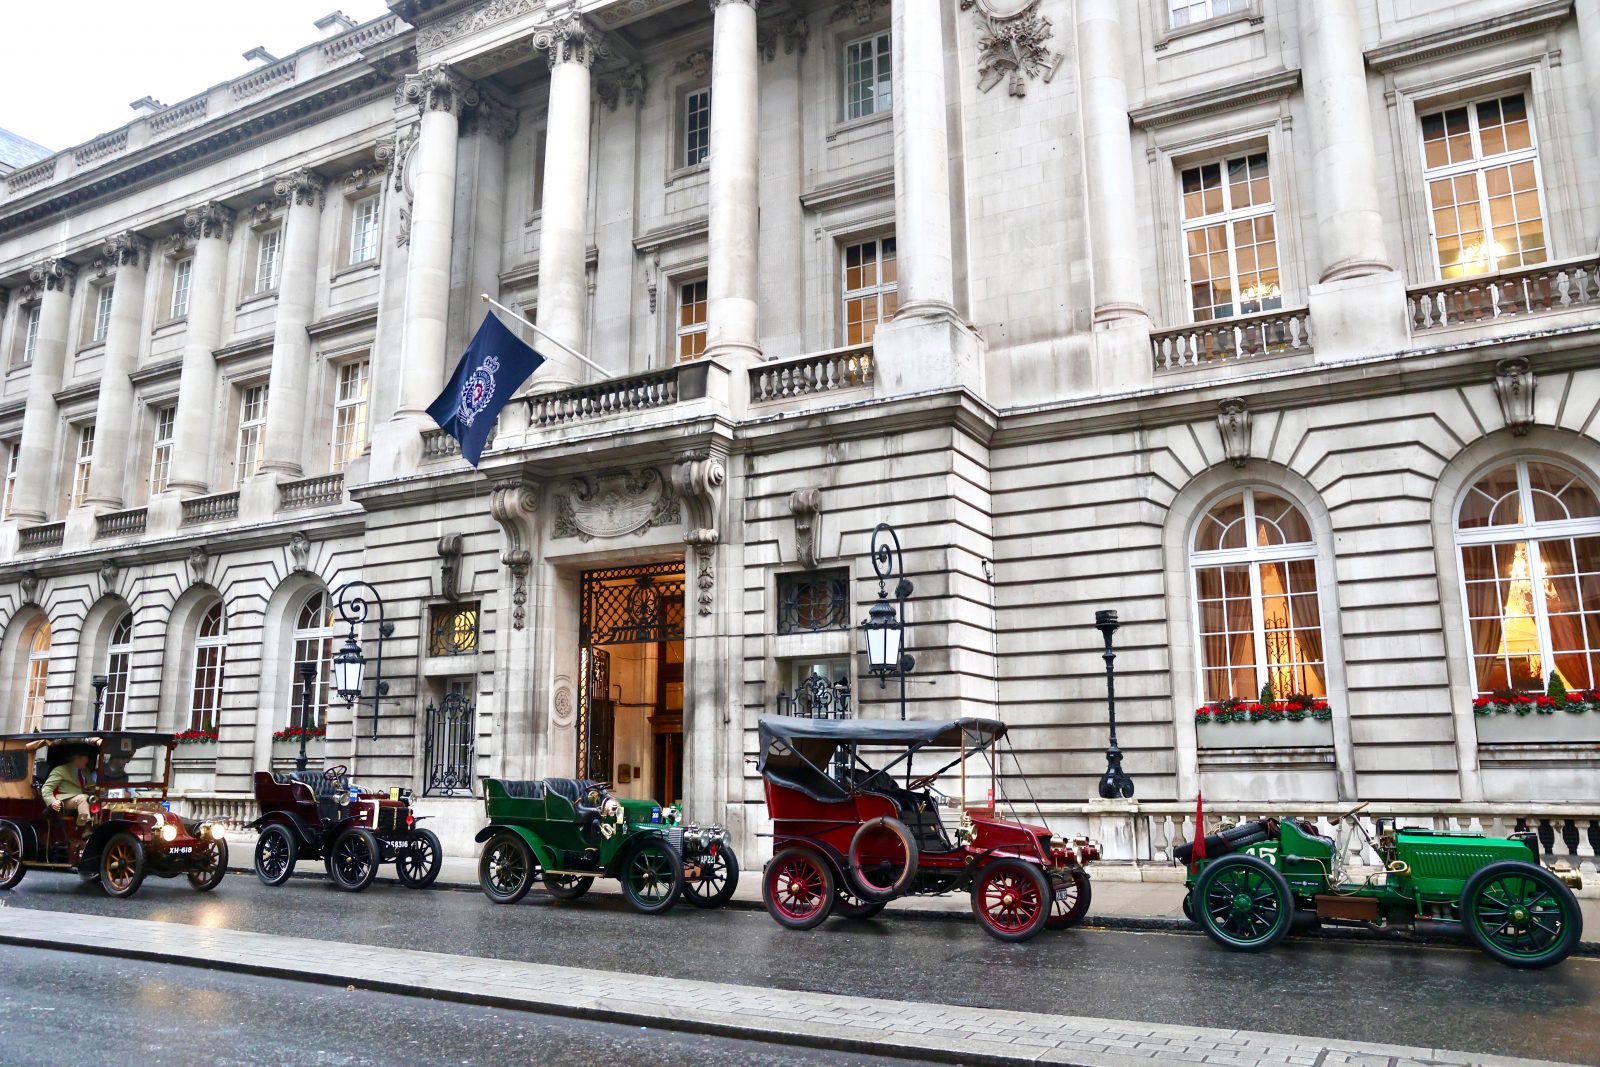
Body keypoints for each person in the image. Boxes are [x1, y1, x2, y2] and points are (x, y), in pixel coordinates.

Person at [41, 745, 97, 821]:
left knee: (99, 800)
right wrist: (52, 802)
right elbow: (46, 788)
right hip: (65, 800)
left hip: (83, 797)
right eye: (86, 757)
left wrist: (93, 790)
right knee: (83, 798)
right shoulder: (60, 770)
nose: (88, 760)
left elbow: (92, 786)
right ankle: (85, 826)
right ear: (77, 758)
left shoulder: (85, 771)